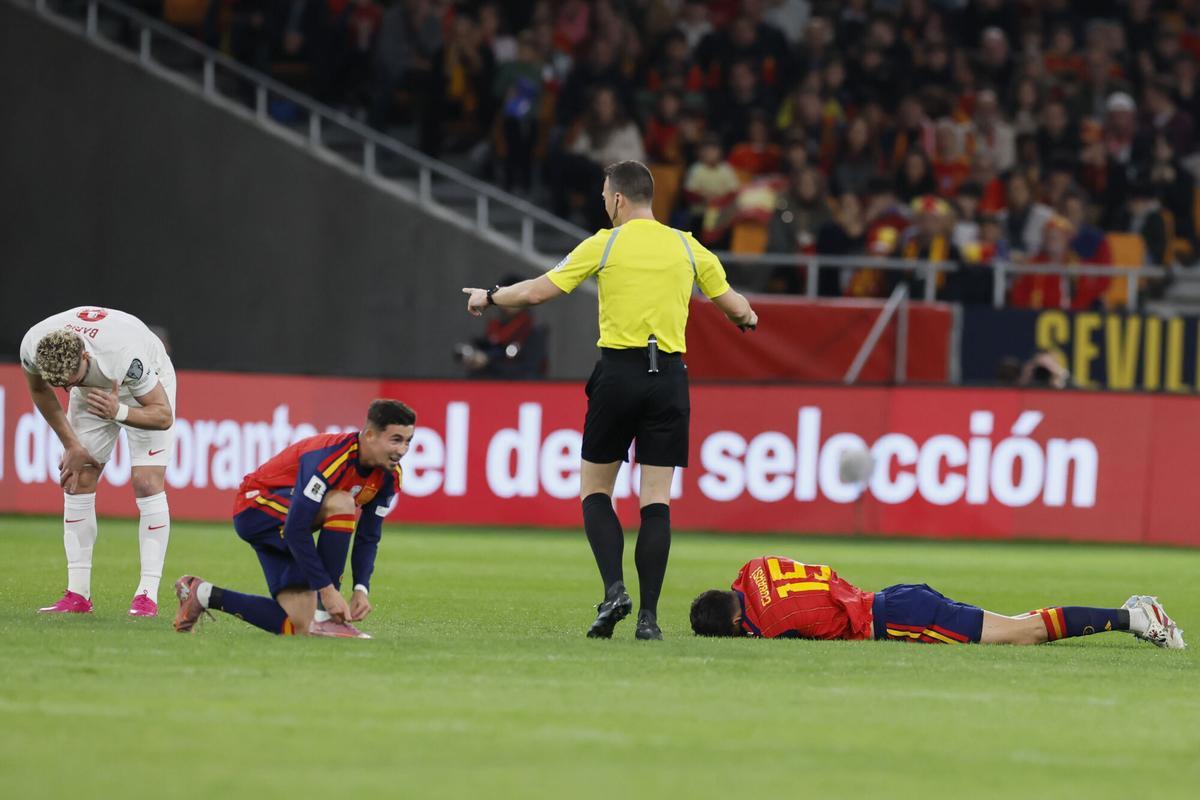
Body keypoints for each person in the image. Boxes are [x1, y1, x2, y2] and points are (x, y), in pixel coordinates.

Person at [463, 160, 757, 641]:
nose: (604, 203)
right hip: (669, 379)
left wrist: (489, 297)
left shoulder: (606, 242)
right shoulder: (688, 245)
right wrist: (748, 319)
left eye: (605, 195)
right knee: (655, 502)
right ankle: (649, 619)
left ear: (618, 199)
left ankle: (613, 589)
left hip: (618, 375)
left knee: (596, 491)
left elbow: (538, 292)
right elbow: (736, 306)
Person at [172, 400, 416, 638]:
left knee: (300, 625)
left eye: (408, 441)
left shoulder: (389, 476)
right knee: (342, 502)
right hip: (256, 506)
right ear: (371, 435)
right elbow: (296, 528)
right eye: (396, 440)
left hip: (288, 526)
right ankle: (327, 618)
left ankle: (201, 593)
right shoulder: (332, 458)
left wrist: (361, 588)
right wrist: (328, 592)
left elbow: (368, 535)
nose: (402, 450)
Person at [21, 307, 177, 617]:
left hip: (147, 384)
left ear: (84, 358)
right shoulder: (34, 345)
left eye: (70, 381)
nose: (66, 390)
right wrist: (71, 445)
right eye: (61, 385)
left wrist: (118, 411)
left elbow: (162, 416)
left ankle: (146, 595)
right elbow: (40, 389)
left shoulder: (126, 357)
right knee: (78, 476)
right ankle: (77, 595)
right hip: (93, 387)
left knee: (146, 483)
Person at [690, 555, 1186, 649]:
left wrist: (750, 629)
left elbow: (765, 629)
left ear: (736, 624)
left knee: (1023, 634)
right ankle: (1134, 611)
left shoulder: (771, 623)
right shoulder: (754, 568)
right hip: (895, 596)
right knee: (1016, 624)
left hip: (901, 619)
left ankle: (1137, 619)